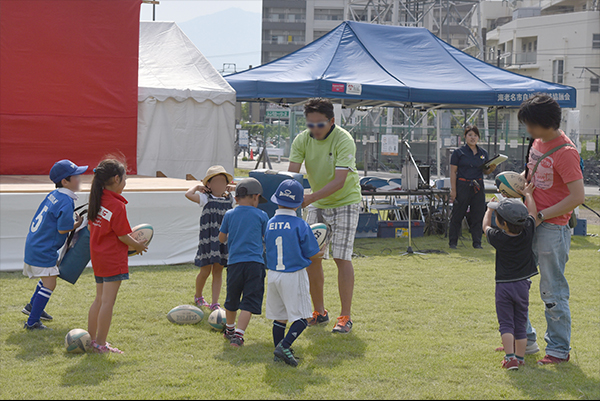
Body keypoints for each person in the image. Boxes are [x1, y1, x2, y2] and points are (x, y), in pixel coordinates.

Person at [519, 94, 585, 365]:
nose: (527, 130)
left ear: (545, 123)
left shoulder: (566, 153)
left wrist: (542, 215)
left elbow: (577, 196)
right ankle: (525, 340)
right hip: (528, 222)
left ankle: (558, 349)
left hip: (551, 228)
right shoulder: (537, 141)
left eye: (530, 124)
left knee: (552, 290)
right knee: (517, 283)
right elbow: (532, 175)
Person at [288, 97, 361, 334]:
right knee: (312, 257)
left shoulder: (344, 139)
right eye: (310, 124)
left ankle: (345, 317)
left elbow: (340, 181)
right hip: (317, 202)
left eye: (319, 124)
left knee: (342, 257)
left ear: (331, 121)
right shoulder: (301, 140)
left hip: (345, 200)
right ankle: (319, 312)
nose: (314, 129)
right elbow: (290, 177)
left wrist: (309, 197)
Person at [87, 158, 147, 354]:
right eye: (124, 179)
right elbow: (123, 235)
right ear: (115, 179)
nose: (125, 182)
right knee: (107, 302)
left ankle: (92, 340)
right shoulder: (117, 205)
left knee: (99, 299)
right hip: (112, 259)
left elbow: (93, 227)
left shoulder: (97, 198)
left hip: (98, 257)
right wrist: (138, 245)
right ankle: (100, 344)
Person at [21, 160, 87, 330]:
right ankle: (32, 322)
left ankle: (33, 308)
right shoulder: (66, 200)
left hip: (35, 245)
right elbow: (63, 229)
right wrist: (77, 224)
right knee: (50, 283)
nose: (80, 179)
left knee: (47, 279)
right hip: (43, 249)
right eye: (76, 176)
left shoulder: (54, 195)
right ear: (65, 181)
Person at [265, 180, 324, 367]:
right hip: (294, 274)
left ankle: (278, 352)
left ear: (277, 200)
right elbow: (312, 253)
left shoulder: (270, 223)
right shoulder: (301, 224)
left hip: (274, 274)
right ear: (299, 203)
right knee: (304, 317)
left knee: (279, 316)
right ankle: (285, 346)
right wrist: (321, 251)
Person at [483, 186, 539, 370]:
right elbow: (532, 212)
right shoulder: (528, 231)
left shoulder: (499, 237)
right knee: (520, 323)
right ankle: (521, 358)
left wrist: (489, 209)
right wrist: (528, 194)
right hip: (523, 285)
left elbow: (485, 227)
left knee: (506, 323)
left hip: (503, 287)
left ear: (503, 223)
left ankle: (510, 358)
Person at [218, 178, 269, 347]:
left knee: (232, 299)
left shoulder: (230, 214)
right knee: (249, 300)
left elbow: (221, 238)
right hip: (255, 263)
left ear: (237, 197)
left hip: (234, 264)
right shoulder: (261, 215)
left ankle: (230, 329)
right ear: (256, 197)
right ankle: (239, 335)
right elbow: (266, 238)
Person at [185, 165, 234, 311]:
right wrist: (197, 187)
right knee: (205, 270)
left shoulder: (230, 199)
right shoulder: (205, 198)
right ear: (208, 185)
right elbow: (188, 194)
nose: (220, 185)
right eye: (216, 181)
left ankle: (215, 302)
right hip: (208, 240)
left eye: (223, 182)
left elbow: (244, 193)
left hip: (222, 240)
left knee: (218, 271)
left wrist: (233, 188)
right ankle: (198, 296)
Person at [449, 125, 496, 249]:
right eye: (470, 135)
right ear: (465, 137)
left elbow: (485, 172)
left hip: (478, 185)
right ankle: (453, 242)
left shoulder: (483, 153)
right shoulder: (458, 152)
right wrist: (453, 190)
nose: (472, 138)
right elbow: (453, 172)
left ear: (478, 138)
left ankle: (477, 243)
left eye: (475, 135)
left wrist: (491, 169)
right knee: (457, 215)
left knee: (478, 215)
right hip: (463, 185)